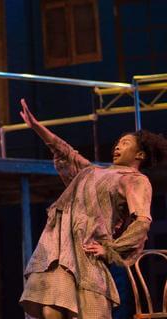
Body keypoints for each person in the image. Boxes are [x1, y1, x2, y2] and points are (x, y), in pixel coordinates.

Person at [18, 99, 167, 319]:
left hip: (87, 249)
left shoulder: (136, 180)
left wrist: (111, 249)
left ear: (140, 155)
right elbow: (66, 152)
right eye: (118, 142)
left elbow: (142, 220)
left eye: (125, 143)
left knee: (85, 313)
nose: (118, 146)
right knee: (50, 309)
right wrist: (37, 127)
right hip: (61, 246)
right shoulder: (93, 171)